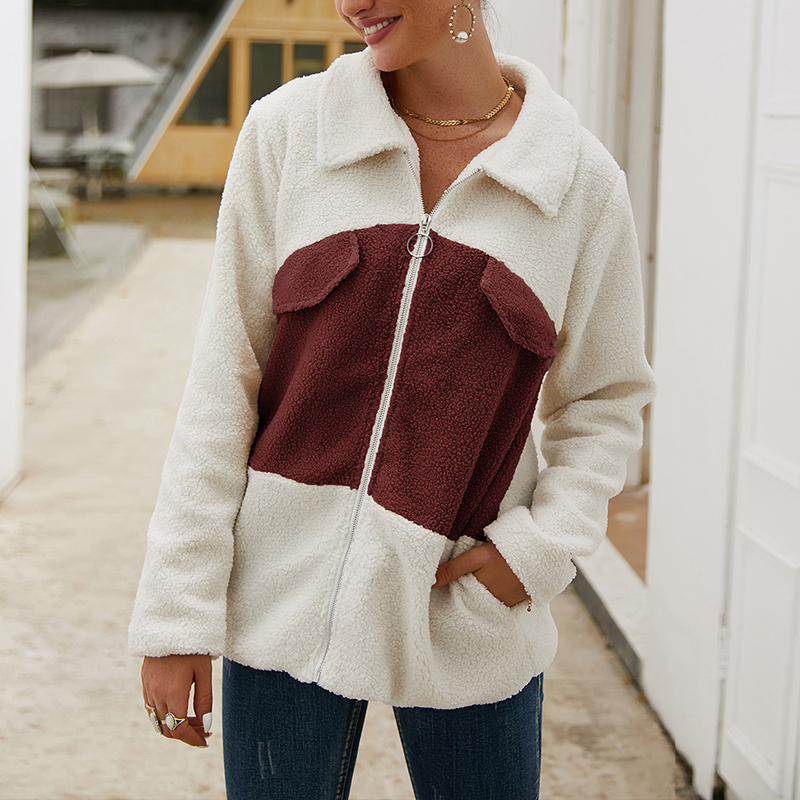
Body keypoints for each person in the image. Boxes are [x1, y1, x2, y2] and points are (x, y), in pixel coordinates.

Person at [129, 1, 656, 797]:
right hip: (279, 600)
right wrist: (177, 614)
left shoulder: (578, 185)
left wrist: (537, 554)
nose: (352, 4)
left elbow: (604, 401)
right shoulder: (290, 133)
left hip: (467, 613)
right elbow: (222, 383)